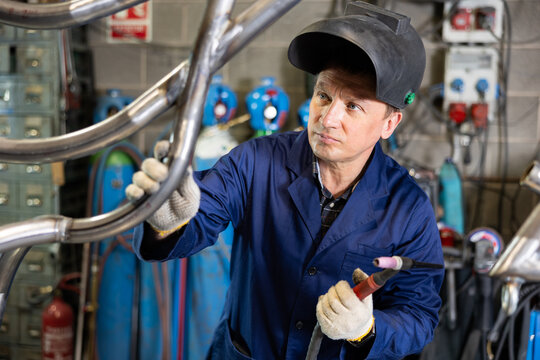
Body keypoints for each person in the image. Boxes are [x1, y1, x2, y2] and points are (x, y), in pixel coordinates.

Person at [126, 1, 444, 359]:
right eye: (323, 95)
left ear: (389, 124)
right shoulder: (256, 162)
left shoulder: (409, 207)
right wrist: (167, 222)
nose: (327, 117)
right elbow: (198, 215)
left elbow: (419, 314)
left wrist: (366, 330)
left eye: (353, 106)